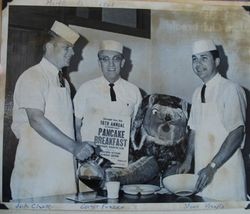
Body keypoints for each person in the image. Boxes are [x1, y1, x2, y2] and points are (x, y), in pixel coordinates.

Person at [10, 20, 94, 199]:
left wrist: (83, 145)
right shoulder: (33, 76)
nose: (73, 53)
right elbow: (36, 119)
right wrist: (74, 147)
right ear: (49, 47)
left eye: (72, 48)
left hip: (63, 171)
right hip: (37, 172)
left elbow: (67, 125)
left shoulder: (65, 83)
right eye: (67, 48)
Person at [178, 39, 247, 201]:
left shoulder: (231, 89)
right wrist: (188, 159)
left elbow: (237, 132)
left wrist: (212, 167)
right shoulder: (196, 92)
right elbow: (193, 128)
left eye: (204, 58)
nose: (198, 64)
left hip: (227, 173)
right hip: (202, 174)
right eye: (194, 59)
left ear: (216, 61)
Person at [73, 39, 142, 149]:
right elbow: (76, 126)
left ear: (122, 63)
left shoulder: (134, 91)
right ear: (99, 63)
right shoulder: (86, 89)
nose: (111, 65)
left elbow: (136, 128)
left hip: (121, 159)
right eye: (105, 59)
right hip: (91, 158)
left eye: (116, 59)